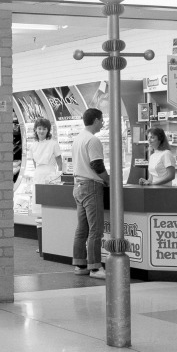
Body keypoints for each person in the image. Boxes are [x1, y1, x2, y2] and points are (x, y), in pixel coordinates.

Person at [71, 108, 108, 279]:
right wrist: (109, 180)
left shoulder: (78, 139)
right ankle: (95, 267)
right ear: (95, 120)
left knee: (82, 229)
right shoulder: (92, 140)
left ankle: (80, 265)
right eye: (101, 120)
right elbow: (97, 165)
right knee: (96, 229)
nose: (103, 123)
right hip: (91, 186)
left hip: (78, 186)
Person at [31, 117, 63, 184]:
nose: (41, 131)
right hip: (37, 176)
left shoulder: (53, 144)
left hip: (51, 176)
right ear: (35, 129)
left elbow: (60, 163)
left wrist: (58, 176)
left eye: (44, 129)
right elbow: (34, 163)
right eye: (39, 128)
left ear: (48, 130)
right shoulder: (33, 145)